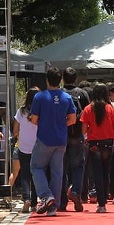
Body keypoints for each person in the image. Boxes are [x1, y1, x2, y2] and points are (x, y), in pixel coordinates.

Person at [29, 67, 77, 217]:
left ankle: (45, 195)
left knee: (36, 168)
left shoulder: (39, 97)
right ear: (60, 80)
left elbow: (34, 119)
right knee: (57, 173)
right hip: (61, 139)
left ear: (47, 80)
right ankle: (53, 207)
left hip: (44, 138)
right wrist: (61, 124)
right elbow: (73, 119)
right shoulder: (66, 97)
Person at [80, 83, 114, 213]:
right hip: (108, 142)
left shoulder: (88, 109)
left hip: (94, 143)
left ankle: (100, 203)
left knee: (96, 172)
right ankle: (104, 201)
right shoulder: (110, 108)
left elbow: (84, 129)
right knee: (106, 171)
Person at [60, 67, 89, 212]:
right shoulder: (82, 93)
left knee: (61, 168)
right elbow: (87, 114)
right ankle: (76, 191)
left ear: (63, 78)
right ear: (76, 78)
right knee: (78, 166)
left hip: (61, 134)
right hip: (78, 134)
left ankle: (62, 201)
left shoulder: (59, 94)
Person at [11, 87, 39, 213]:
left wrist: (20, 136)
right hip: (38, 146)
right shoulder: (40, 111)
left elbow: (15, 130)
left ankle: (26, 197)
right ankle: (34, 202)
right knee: (35, 175)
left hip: (23, 146)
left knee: (24, 174)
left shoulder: (21, 111)